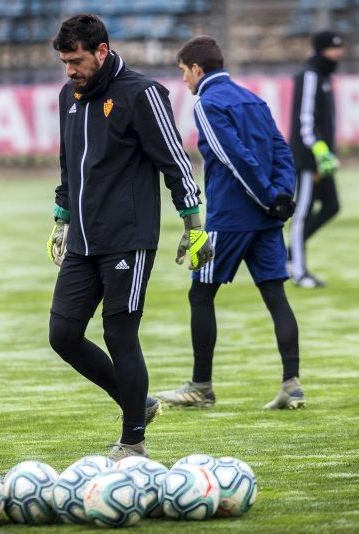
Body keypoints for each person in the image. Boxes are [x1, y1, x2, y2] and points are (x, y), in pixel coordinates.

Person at [46, 14, 214, 461]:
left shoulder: (141, 94)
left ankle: (134, 441)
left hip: (128, 238)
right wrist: (62, 216)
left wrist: (193, 225)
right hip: (83, 240)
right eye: (64, 62)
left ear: (101, 51)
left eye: (76, 60)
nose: (70, 70)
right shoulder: (70, 96)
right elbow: (70, 165)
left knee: (120, 334)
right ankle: (138, 399)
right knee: (62, 334)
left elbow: (176, 162)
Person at [155, 35, 305, 411]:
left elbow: (232, 157)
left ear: (197, 69)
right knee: (275, 295)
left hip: (229, 219)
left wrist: (271, 197)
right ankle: (292, 384)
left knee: (200, 295)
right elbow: (281, 149)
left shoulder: (208, 103)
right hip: (266, 219)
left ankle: (201, 386)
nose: (184, 81)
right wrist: (283, 196)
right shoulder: (253, 98)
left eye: (183, 72)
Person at [288, 30, 344, 288]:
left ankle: (289, 254)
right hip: (309, 159)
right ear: (322, 50)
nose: (339, 53)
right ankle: (297, 271)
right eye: (334, 49)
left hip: (322, 159)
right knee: (302, 213)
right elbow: (305, 121)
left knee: (331, 206)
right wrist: (318, 151)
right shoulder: (309, 76)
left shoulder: (323, 76)